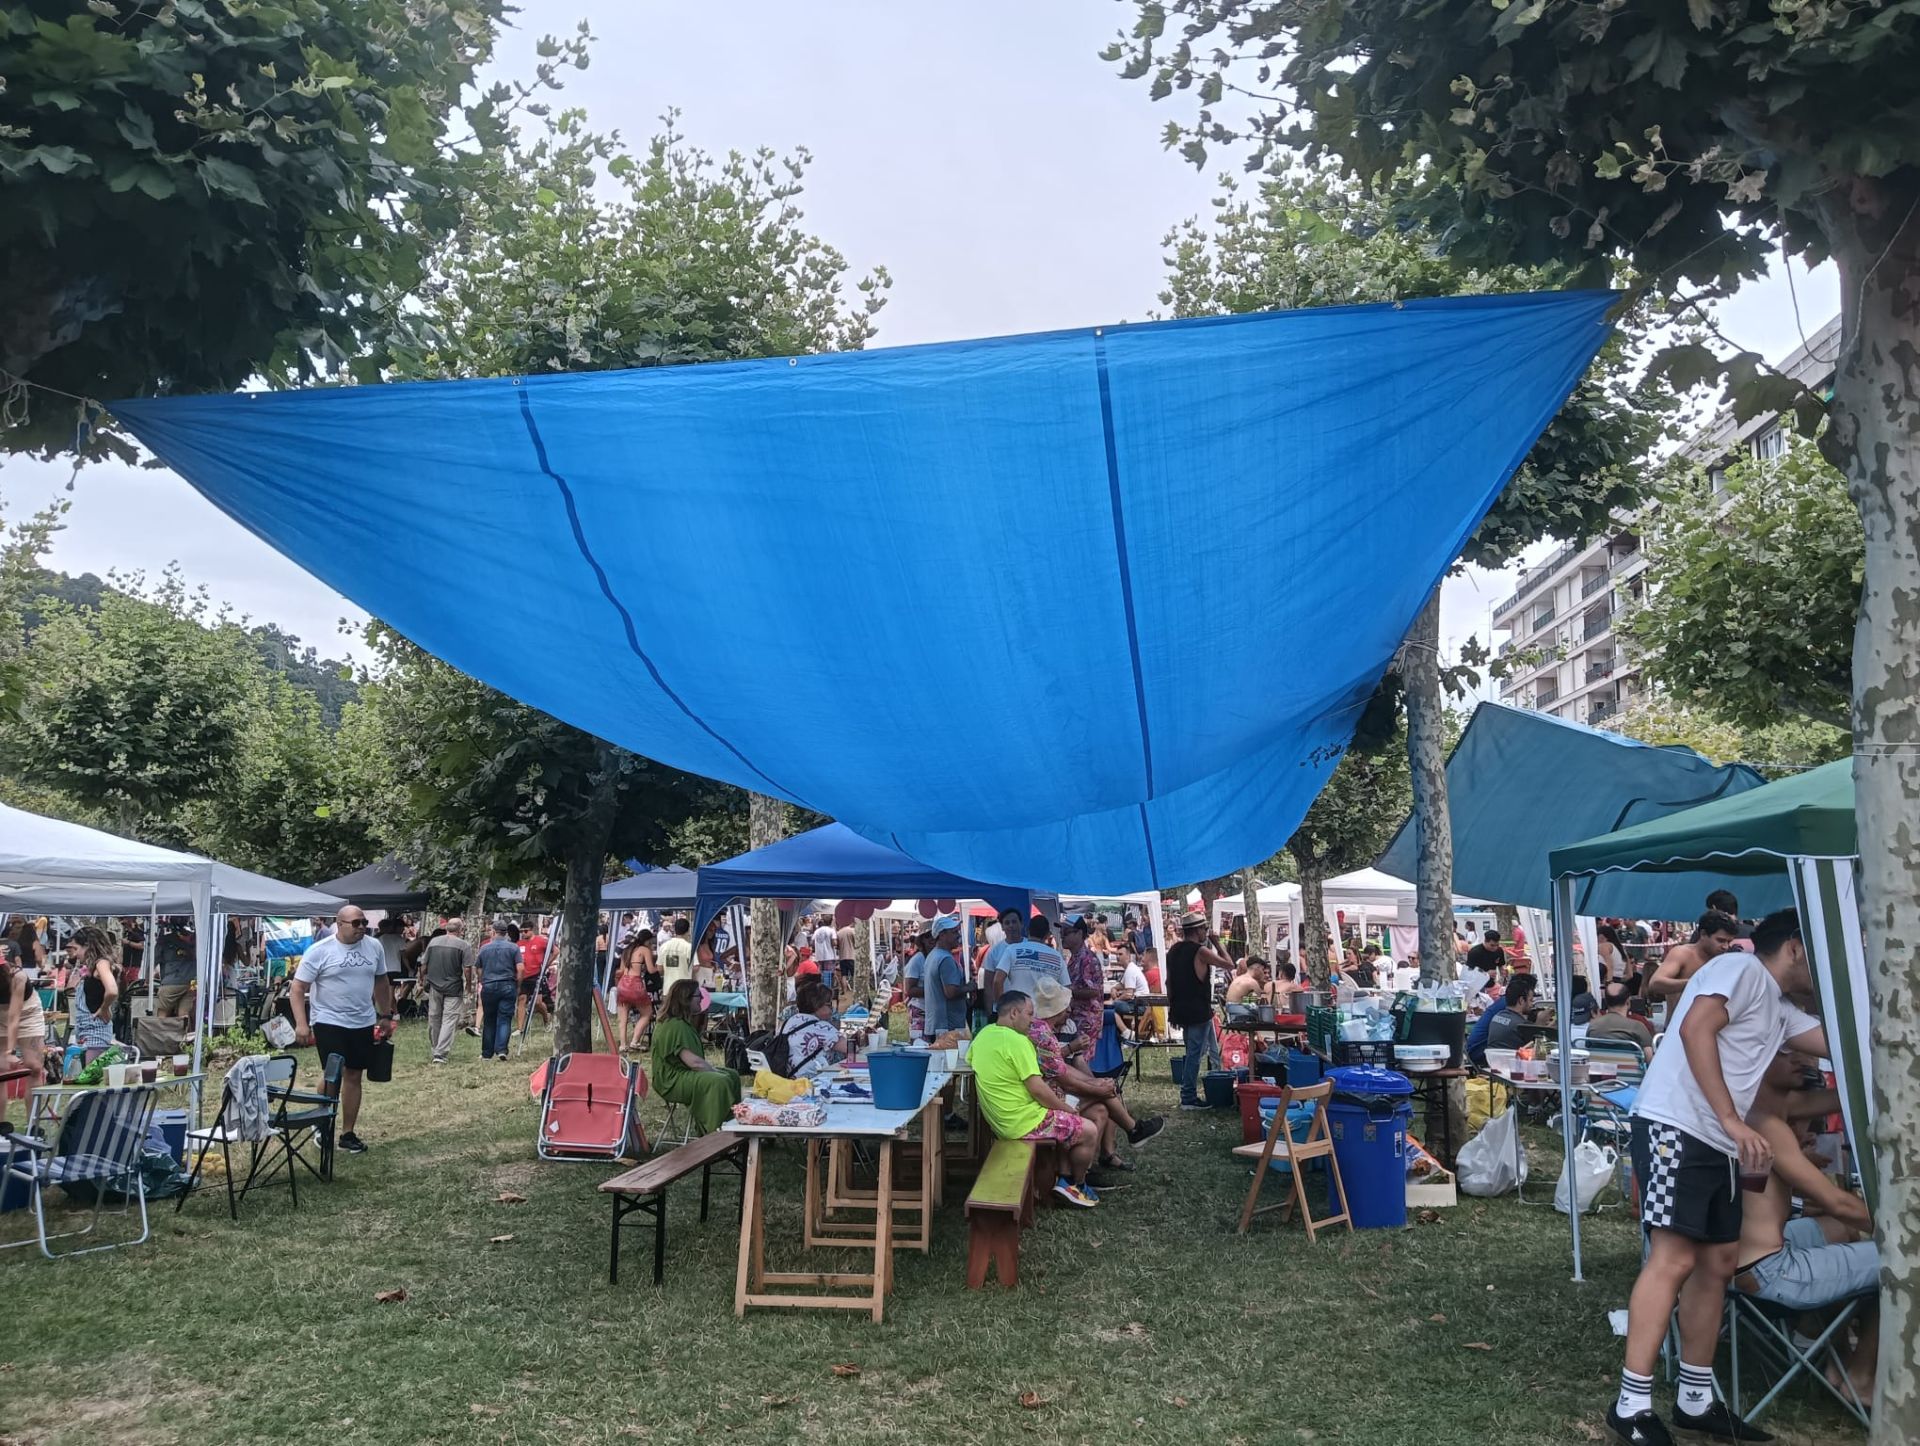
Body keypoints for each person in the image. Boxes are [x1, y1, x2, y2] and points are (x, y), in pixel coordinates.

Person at [1609, 908, 1827, 1445]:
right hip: (1675, 1126)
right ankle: (1631, 1405)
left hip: (1717, 1141)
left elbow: (1842, 1040)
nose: (1827, 971)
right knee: (1675, 1257)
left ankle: (1695, 1398)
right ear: (1797, 947)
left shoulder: (1780, 1004)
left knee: (1717, 1263)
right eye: (1823, 958)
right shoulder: (1744, 970)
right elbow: (1693, 1027)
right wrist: (1732, 1118)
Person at [1735, 1106, 1879, 1402]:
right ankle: (1862, 1378)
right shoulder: (1766, 1123)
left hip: (1736, 1263)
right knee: (1901, 1262)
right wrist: (1902, 1234)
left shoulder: (1745, 1114)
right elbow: (1839, 1203)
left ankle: (1836, 1356)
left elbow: (1759, 1194)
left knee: (1839, 1231)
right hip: (1771, 1272)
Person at [969, 989, 1101, 1206]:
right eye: (1029, 1014)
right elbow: (1037, 1089)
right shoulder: (1019, 1042)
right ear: (1014, 1013)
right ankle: (1076, 1185)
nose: (1032, 1020)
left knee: (1067, 1116)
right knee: (1089, 1130)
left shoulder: (983, 1035)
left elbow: (973, 1060)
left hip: (1000, 1121)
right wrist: (1065, 1109)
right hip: (1023, 1122)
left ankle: (1063, 1180)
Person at [1028, 978, 1163, 1180]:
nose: (1070, 1010)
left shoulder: (1051, 1028)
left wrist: (1095, 1083)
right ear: (1056, 1010)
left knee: (1101, 1107)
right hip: (1050, 1096)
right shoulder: (1041, 1035)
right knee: (1102, 1096)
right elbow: (1062, 1076)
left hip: (1057, 1089)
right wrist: (1096, 1087)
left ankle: (1085, 1169)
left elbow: (1067, 1068)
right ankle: (1131, 1132)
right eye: (1066, 1006)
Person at [290, 906, 397, 1154]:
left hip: (362, 1020)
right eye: (356, 923)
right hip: (328, 1020)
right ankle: (323, 1125)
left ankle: (347, 1133)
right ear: (340, 924)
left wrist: (384, 1015)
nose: (362, 927)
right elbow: (297, 988)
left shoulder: (374, 947)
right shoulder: (320, 951)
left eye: (364, 923)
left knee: (354, 1074)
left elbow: (381, 981)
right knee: (333, 1075)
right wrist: (301, 1024)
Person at [649, 980, 741, 1134]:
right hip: (671, 1079)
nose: (702, 1000)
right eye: (698, 996)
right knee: (719, 1081)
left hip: (682, 1072)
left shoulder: (682, 1023)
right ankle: (713, 1132)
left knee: (732, 1075)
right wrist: (715, 1072)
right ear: (686, 999)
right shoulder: (675, 1025)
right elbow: (694, 1062)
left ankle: (735, 1123)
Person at [1169, 914, 1229, 1110]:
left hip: (1181, 1008)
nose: (1206, 932)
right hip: (1198, 1009)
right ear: (1197, 930)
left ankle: (1190, 1092)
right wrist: (1218, 944)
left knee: (1193, 1051)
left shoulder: (1174, 950)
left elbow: (1169, 983)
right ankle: (1188, 1096)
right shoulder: (1201, 951)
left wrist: (1173, 1008)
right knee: (1195, 1054)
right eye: (1204, 928)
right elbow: (1229, 964)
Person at [1645, 910, 1741, 1002]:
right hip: (1681, 1018)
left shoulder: (1725, 959)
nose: (1725, 946)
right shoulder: (1682, 954)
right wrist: (1696, 982)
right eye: (1720, 940)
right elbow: (1655, 983)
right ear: (1703, 934)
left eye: (1729, 942)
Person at [420, 919, 474, 1064]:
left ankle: (435, 1047)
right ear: (461, 930)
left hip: (434, 985)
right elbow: (467, 969)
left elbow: (424, 965)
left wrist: (421, 980)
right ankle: (440, 1053)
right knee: (449, 1020)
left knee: (434, 1017)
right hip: (453, 987)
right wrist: (468, 986)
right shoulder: (464, 945)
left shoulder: (433, 942)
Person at [63, 925, 120, 1055]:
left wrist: (104, 1008)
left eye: (76, 949)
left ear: (88, 945)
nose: (75, 954)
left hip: (96, 1030)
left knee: (91, 1074)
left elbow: (112, 990)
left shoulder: (101, 963)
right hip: (85, 1029)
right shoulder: (92, 967)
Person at [471, 919, 522, 1063]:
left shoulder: (484, 948)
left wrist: (483, 981)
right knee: (505, 1018)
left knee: (489, 1019)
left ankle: (487, 1053)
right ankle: (501, 1050)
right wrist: (518, 984)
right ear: (506, 932)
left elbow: (478, 968)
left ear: (493, 932)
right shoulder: (513, 948)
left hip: (489, 985)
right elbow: (521, 968)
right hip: (508, 984)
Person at [777, 980, 848, 1079]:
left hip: (785, 1079)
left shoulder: (788, 1023)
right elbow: (850, 1048)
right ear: (817, 1005)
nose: (832, 1010)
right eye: (829, 1005)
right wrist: (860, 1039)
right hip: (811, 1081)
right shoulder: (822, 1028)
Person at [1058, 913, 1105, 1052]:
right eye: (1061, 932)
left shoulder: (1088, 959)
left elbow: (1094, 991)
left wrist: (1065, 990)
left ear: (1079, 933)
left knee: (1080, 1061)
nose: (1062, 936)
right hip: (1076, 1018)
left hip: (1085, 1020)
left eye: (1066, 932)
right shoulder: (1075, 958)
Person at [1467, 975, 1536, 1067]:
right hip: (1482, 1053)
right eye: (1531, 999)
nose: (1532, 1004)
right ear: (1521, 999)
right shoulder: (1512, 1014)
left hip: (1480, 1052)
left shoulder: (1503, 1007)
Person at [3, 939, 48, 1081]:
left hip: (27, 1012)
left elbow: (13, 1016)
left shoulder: (18, 976)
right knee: (1, 1070)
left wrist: (10, 1051)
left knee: (34, 1066)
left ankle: (35, 1103)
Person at [921, 915, 968, 1038]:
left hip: (934, 1024)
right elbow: (950, 992)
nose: (958, 935)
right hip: (947, 1026)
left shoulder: (932, 956)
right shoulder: (945, 958)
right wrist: (969, 987)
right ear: (942, 935)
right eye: (954, 932)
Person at [1004, 915, 1070, 1000]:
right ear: (1047, 935)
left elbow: (998, 980)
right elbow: (1066, 988)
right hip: (1046, 1011)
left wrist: (1003, 1005)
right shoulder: (1057, 957)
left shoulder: (1012, 950)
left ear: (1027, 930)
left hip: (1019, 1010)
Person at [981, 906, 1029, 1013]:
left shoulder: (1031, 946)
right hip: (1005, 1010)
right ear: (1002, 927)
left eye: (1014, 922)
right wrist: (990, 1012)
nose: (1011, 926)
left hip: (1028, 1008)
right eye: (1007, 923)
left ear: (1021, 924)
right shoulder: (994, 951)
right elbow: (988, 984)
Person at [1587, 982, 1655, 1053]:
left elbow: (1588, 1049)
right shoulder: (1638, 1026)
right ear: (1628, 1002)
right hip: (1629, 1063)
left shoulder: (1593, 1026)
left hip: (1600, 1063)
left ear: (1606, 1002)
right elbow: (1649, 1057)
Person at [615, 930, 655, 1052]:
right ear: (647, 940)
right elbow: (651, 970)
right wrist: (660, 968)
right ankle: (635, 1041)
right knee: (647, 1013)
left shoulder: (627, 950)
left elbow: (621, 970)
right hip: (635, 984)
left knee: (623, 1017)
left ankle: (623, 1045)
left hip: (623, 983)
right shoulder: (645, 950)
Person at [153, 920, 197, 1019]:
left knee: (162, 1013)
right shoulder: (194, 939)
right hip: (193, 981)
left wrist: (147, 980)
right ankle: (183, 1033)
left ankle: (161, 1033)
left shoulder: (163, 941)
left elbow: (153, 961)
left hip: (171, 981)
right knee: (184, 1013)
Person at [514, 921, 550, 1031]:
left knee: (538, 1003)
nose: (523, 933)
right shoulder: (519, 944)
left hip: (536, 974)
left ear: (532, 930)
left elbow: (555, 951)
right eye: (521, 932)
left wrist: (546, 964)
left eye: (525, 931)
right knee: (521, 999)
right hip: (524, 975)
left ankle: (546, 1017)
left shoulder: (541, 941)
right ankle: (520, 1029)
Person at [658, 916, 695, 994]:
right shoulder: (689, 947)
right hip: (684, 989)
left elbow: (660, 968)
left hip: (668, 988)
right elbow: (696, 967)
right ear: (688, 931)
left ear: (675, 929)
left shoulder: (664, 946)